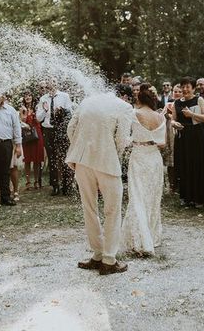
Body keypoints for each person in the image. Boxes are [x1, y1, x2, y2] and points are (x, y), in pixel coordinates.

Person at [66, 90, 133, 275]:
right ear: (123, 96)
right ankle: (109, 260)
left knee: (89, 208)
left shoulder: (87, 102)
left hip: (82, 160)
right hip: (107, 162)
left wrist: (82, 148)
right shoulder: (125, 107)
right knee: (112, 210)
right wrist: (113, 154)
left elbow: (70, 129)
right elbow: (121, 139)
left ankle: (97, 254)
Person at [121, 84, 166, 256]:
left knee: (137, 196)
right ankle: (151, 236)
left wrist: (130, 141)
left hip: (139, 157)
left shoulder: (134, 114)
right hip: (154, 158)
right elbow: (162, 143)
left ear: (139, 99)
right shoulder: (160, 118)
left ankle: (140, 240)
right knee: (152, 198)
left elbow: (125, 138)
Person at [172, 77, 204, 208]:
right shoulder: (176, 103)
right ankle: (185, 196)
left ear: (193, 88)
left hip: (196, 136)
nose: (185, 89)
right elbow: (173, 119)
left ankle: (199, 198)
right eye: (183, 87)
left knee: (197, 164)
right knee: (184, 164)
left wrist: (192, 115)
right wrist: (174, 124)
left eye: (188, 87)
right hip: (182, 136)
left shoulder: (198, 99)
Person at [36, 79, 73, 195]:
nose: (50, 84)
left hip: (61, 129)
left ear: (57, 83)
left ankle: (67, 186)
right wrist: (45, 110)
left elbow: (70, 113)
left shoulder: (64, 96)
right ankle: (55, 185)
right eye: (48, 82)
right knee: (52, 158)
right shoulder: (43, 99)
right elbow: (38, 118)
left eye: (53, 81)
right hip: (48, 130)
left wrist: (62, 111)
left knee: (64, 157)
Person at [19, 90, 44, 190]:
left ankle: (36, 181)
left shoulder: (37, 107)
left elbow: (39, 120)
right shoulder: (22, 109)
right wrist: (24, 113)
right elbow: (22, 121)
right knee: (28, 160)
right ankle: (28, 182)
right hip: (27, 135)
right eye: (26, 96)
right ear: (24, 98)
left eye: (29, 95)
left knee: (37, 160)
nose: (28, 97)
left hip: (37, 133)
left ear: (32, 97)